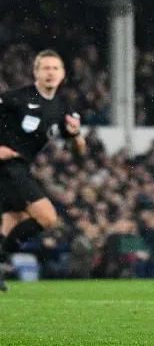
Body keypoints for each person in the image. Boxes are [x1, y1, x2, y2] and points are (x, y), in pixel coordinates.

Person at [0, 50, 85, 291]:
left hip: (21, 167)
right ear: (35, 72)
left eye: (55, 68)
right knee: (47, 217)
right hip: (7, 166)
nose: (50, 72)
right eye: (45, 68)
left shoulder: (61, 108)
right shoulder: (15, 98)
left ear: (63, 74)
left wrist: (77, 134)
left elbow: (78, 150)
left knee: (13, 219)